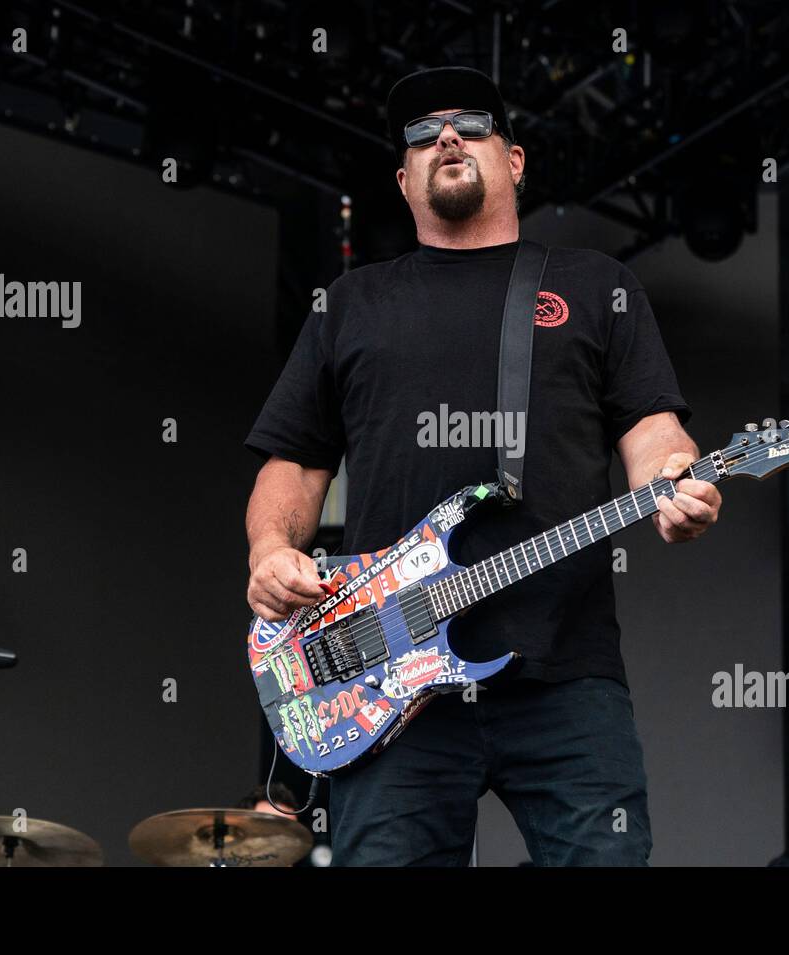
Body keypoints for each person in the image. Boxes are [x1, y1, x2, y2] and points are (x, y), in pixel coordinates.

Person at [243, 66, 722, 866]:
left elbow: (653, 435)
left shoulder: (594, 285)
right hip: (386, 681)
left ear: (516, 159)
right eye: (423, 135)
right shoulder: (352, 303)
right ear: (404, 180)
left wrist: (677, 485)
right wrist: (269, 553)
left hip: (566, 672)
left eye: (469, 122)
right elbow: (292, 464)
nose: (447, 138)